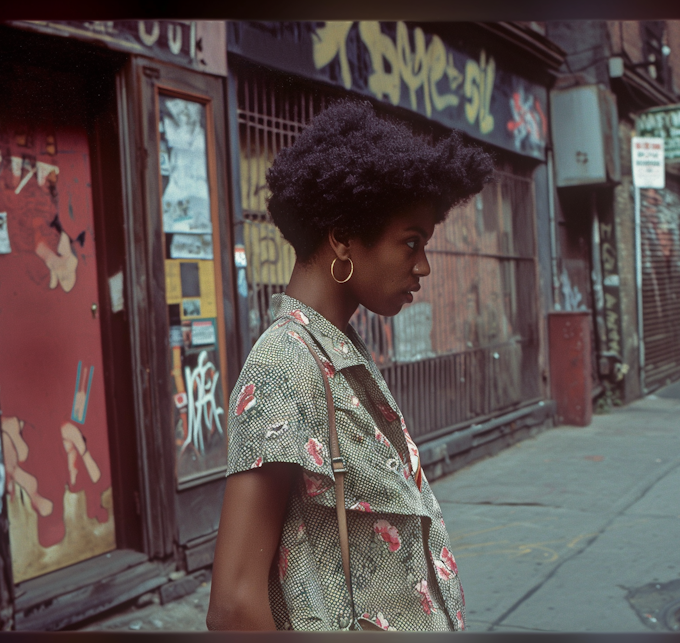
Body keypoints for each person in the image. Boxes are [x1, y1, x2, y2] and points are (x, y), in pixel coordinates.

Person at [206, 101, 494, 632]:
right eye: (411, 242)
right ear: (342, 238)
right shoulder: (285, 363)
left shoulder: (333, 350)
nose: (423, 265)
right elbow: (233, 607)